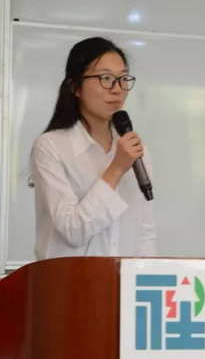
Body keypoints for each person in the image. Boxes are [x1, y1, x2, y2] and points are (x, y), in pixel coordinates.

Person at [30, 37, 156, 260]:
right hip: (70, 279)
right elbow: (73, 231)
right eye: (106, 78)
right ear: (75, 86)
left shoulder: (137, 151)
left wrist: (148, 274)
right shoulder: (51, 147)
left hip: (124, 280)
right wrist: (116, 168)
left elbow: (145, 232)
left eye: (123, 79)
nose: (117, 89)